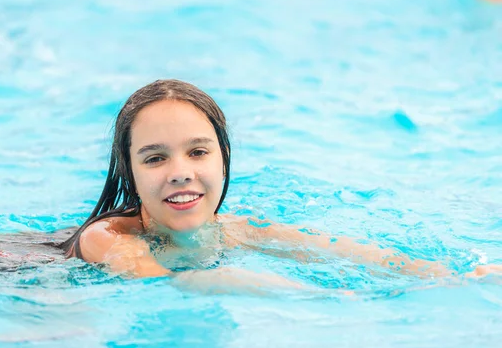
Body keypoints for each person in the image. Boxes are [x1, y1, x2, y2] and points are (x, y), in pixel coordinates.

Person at [59, 79, 502, 291]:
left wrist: (456, 277)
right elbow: (173, 284)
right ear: (130, 173)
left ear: (223, 159)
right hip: (10, 271)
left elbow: (344, 250)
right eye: (155, 158)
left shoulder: (234, 230)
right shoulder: (106, 237)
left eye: (198, 152)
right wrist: (321, 297)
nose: (180, 171)